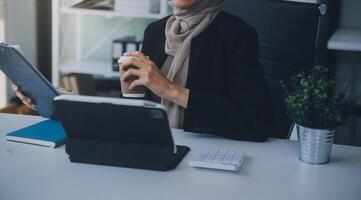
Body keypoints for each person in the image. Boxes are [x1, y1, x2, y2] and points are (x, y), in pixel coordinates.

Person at [13, 0, 273, 141]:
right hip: (155, 145)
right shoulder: (156, 31)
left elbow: (254, 123)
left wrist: (168, 89)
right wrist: (54, 97)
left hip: (205, 157)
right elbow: (141, 112)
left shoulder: (237, 35)